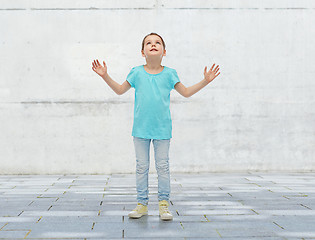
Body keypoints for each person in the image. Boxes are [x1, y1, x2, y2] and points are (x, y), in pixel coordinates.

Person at [92, 32, 220, 221]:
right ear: (142, 52)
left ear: (164, 51)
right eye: (149, 43)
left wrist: (205, 81)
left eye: (157, 42)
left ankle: (163, 204)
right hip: (141, 130)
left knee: (162, 167)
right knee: (141, 167)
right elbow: (120, 90)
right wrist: (105, 76)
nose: (153, 45)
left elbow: (185, 92)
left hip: (162, 130)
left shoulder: (170, 73)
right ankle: (142, 204)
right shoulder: (136, 72)